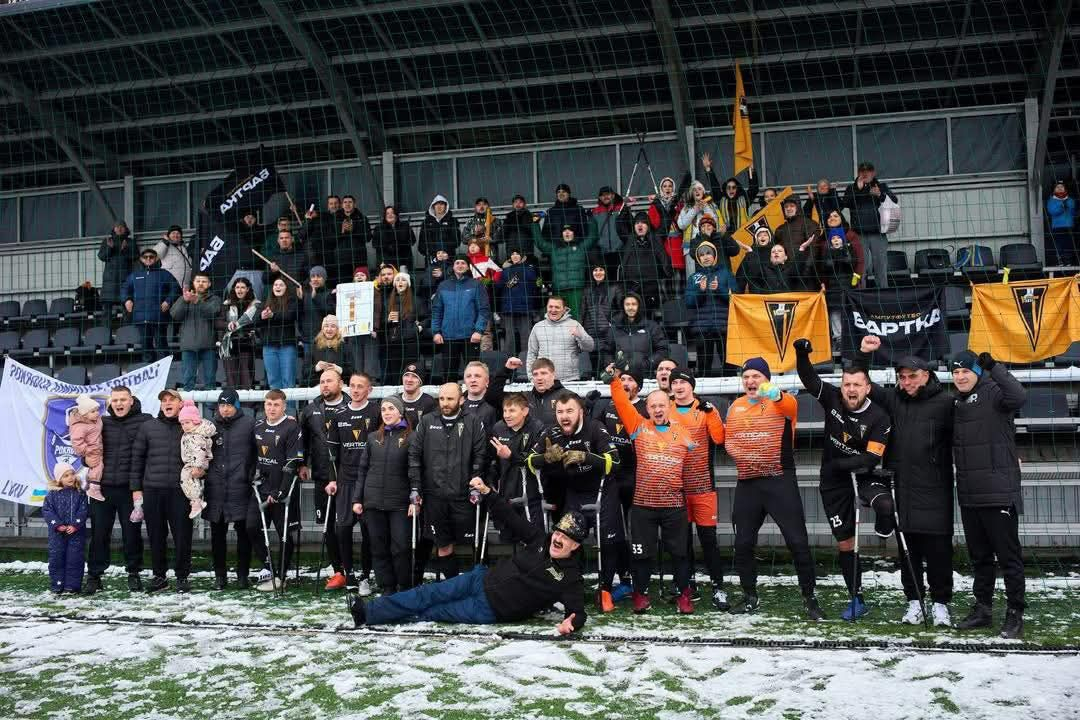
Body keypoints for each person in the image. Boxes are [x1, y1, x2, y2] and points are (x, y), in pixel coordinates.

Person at [350, 477, 588, 635]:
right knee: (427, 593)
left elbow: (578, 612)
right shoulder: (540, 539)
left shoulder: (570, 577)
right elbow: (510, 517)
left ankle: (386, 617)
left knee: (434, 612)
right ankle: (368, 612)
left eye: (565, 537)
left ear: (575, 545)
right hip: (480, 579)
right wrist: (488, 492)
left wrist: (572, 623)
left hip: (490, 608)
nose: (557, 539)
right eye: (558, 532)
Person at [857, 336, 955, 626]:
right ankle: (914, 602)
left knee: (939, 552)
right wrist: (863, 355)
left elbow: (966, 438)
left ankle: (941, 605)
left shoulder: (946, 403)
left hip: (936, 490)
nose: (907, 382)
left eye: (912, 376)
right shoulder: (893, 400)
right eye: (902, 377)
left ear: (926, 375)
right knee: (907, 551)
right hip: (902, 488)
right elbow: (863, 383)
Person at [794, 339, 892, 621]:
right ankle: (856, 598)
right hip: (833, 482)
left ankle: (885, 525)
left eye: (857, 385)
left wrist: (840, 464)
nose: (851, 389)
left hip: (864, 475)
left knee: (885, 505)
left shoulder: (879, 417)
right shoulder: (833, 398)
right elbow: (809, 378)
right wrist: (802, 353)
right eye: (847, 384)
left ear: (867, 388)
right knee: (846, 543)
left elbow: (871, 458)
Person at [723, 358, 821, 618]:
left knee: (797, 541)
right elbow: (729, 441)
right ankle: (749, 596)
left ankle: (809, 597)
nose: (750, 381)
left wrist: (775, 394)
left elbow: (789, 405)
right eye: (746, 377)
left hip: (780, 480)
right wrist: (747, 457)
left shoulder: (783, 401)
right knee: (743, 543)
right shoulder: (735, 406)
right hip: (748, 483)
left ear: (767, 379)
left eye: (756, 376)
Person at [605, 356, 694, 614]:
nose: (657, 409)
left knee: (680, 553)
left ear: (669, 406)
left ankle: (684, 595)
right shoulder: (638, 426)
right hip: (643, 505)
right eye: (653, 406)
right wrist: (614, 380)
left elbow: (694, 465)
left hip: (674, 506)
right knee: (641, 553)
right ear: (647, 409)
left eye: (661, 405)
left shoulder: (683, 433)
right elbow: (622, 402)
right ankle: (641, 594)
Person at [949, 350, 1027, 639]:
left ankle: (1015, 613)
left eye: (965, 371)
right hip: (969, 495)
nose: (960, 377)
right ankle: (983, 610)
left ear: (978, 372)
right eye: (955, 372)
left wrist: (994, 367)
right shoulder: (956, 403)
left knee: (1009, 558)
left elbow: (1019, 397)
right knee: (980, 558)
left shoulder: (995, 392)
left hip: (998, 494)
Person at [526, 392, 622, 611]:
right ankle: (570, 585)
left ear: (580, 412)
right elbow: (529, 461)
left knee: (607, 542)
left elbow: (616, 463)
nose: (564, 416)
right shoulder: (551, 432)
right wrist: (545, 458)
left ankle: (605, 589)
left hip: (602, 492)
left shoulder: (595, 428)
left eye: (569, 411)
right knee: (567, 540)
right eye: (560, 412)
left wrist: (587, 457)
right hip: (574, 493)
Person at [408, 382, 488, 580]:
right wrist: (416, 487)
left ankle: (475, 585)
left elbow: (480, 456)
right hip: (435, 497)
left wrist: (475, 483)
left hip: (463, 496)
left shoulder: (473, 421)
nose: (445, 403)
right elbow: (414, 456)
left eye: (450, 399)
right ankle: (451, 586)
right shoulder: (427, 421)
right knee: (443, 545)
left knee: (471, 542)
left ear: (461, 400)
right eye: (442, 398)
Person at [667, 368, 729, 609]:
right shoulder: (666, 409)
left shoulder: (705, 409)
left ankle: (718, 587)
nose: (678, 386)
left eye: (683, 382)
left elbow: (719, 439)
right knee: (681, 541)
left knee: (708, 540)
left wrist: (712, 413)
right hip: (676, 488)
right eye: (674, 382)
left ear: (691, 385)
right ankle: (687, 584)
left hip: (703, 485)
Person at [587, 366, 646, 597]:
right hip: (611, 478)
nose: (625, 383)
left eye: (630, 379)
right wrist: (589, 409)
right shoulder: (608, 407)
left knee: (635, 531)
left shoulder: (644, 408)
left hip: (636, 477)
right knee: (613, 531)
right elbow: (594, 431)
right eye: (621, 380)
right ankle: (619, 578)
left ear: (638, 385)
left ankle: (636, 579)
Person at [84, 387, 149, 594]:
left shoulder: (145, 421)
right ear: (110, 403)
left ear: (131, 401)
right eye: (115, 400)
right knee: (99, 533)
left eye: (123, 399)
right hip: (102, 489)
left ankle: (134, 574)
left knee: (132, 534)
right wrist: (85, 459)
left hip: (130, 490)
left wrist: (140, 487)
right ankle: (94, 576)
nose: (119, 403)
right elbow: (88, 447)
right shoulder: (101, 422)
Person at [129, 389, 190, 594]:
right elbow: (137, 460)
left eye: (172, 399)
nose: (167, 403)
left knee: (182, 535)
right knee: (156, 536)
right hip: (153, 490)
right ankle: (159, 577)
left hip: (181, 491)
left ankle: (182, 577)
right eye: (164, 400)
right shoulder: (148, 427)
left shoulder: (190, 427)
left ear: (181, 404)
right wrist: (136, 489)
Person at [352, 396, 414, 595]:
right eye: (384, 409)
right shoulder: (373, 438)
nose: (386, 412)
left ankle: (404, 585)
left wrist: (415, 498)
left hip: (399, 503)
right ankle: (387, 586)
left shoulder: (412, 437)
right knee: (379, 547)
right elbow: (363, 470)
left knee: (401, 547)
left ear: (400, 412)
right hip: (373, 502)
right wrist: (357, 499)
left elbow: (415, 470)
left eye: (391, 408)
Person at [327, 372, 381, 592]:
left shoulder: (377, 412)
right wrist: (332, 479)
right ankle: (348, 574)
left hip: (369, 481)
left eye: (360, 386)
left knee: (369, 531)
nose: (356, 390)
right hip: (346, 481)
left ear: (369, 390)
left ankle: (366, 576)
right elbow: (332, 453)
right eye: (352, 386)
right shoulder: (339, 414)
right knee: (343, 529)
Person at [203, 388, 259, 590]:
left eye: (228, 405)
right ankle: (220, 576)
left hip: (241, 487)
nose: (225, 409)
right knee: (217, 536)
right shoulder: (209, 426)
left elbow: (258, 452)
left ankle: (242, 575)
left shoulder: (250, 424)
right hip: (216, 489)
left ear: (236, 405)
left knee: (244, 535)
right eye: (222, 405)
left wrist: (250, 474)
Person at [251, 389, 306, 591]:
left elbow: (292, 462)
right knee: (250, 526)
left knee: (284, 533)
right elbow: (252, 456)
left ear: (284, 406)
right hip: (261, 488)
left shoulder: (292, 427)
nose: (272, 408)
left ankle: (281, 577)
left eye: (276, 405)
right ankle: (269, 567)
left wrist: (281, 492)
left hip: (283, 488)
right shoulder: (257, 425)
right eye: (268, 404)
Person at [299, 369, 349, 588]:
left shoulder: (351, 406)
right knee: (327, 526)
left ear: (341, 383)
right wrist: (303, 463)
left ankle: (356, 570)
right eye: (322, 381)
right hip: (321, 475)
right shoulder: (310, 410)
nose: (325, 385)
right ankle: (338, 571)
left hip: (347, 476)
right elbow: (302, 440)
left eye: (329, 381)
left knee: (346, 525)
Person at [485, 393, 547, 536]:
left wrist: (511, 456)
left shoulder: (537, 428)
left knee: (532, 537)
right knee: (508, 538)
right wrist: (491, 482)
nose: (507, 415)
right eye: (505, 411)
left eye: (512, 410)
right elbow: (492, 461)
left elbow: (536, 460)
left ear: (525, 411)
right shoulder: (498, 428)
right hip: (506, 494)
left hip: (532, 495)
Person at [684, 241, 738, 376]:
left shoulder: (726, 274)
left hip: (724, 326)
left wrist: (720, 289)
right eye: (702, 255)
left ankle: (731, 388)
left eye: (708, 253)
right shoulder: (693, 278)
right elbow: (689, 303)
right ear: (698, 258)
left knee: (728, 365)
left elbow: (735, 299)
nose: (705, 257)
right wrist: (700, 291)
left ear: (715, 256)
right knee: (703, 367)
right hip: (702, 328)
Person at [431, 255, 489, 379]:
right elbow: (437, 311)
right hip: (448, 337)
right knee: (449, 375)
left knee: (473, 374)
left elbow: (484, 310)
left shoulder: (476, 285)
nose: (460, 265)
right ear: (453, 266)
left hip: (471, 336)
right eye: (457, 263)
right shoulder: (443, 286)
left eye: (463, 263)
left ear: (468, 267)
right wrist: (436, 332)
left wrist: (479, 331)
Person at [844, 161, 897, 288]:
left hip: (878, 233)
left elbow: (894, 201)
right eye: (862, 171)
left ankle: (883, 294)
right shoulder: (851, 188)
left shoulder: (881, 186)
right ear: (858, 173)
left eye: (868, 171)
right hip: (859, 234)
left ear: (873, 173)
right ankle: (860, 295)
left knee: (880, 266)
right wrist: (857, 190)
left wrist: (880, 195)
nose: (865, 173)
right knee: (860, 267)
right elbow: (845, 203)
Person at [122, 247, 180, 362]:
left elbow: (176, 288)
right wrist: (127, 300)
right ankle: (148, 369)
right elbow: (124, 288)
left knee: (161, 345)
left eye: (151, 257)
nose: (148, 259)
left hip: (159, 316)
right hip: (140, 317)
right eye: (145, 257)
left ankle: (165, 369)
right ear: (141, 259)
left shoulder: (165, 274)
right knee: (145, 347)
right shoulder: (134, 275)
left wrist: (168, 301)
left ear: (156, 258)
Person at [815, 210, 865, 341]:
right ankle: (838, 338)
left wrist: (857, 276)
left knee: (851, 309)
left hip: (850, 282)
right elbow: (819, 264)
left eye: (835, 216)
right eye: (829, 216)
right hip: (831, 285)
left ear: (842, 218)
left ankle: (854, 337)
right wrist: (822, 282)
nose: (832, 218)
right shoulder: (822, 238)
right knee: (834, 311)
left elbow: (859, 258)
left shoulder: (851, 235)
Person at [171, 271, 222, 391]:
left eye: (204, 281)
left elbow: (213, 312)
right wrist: (184, 301)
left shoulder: (214, 299)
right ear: (193, 283)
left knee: (210, 382)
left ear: (209, 284)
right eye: (198, 281)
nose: (200, 284)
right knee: (188, 383)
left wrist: (197, 301)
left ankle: (210, 403)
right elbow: (175, 315)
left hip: (208, 345)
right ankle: (189, 403)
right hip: (188, 346)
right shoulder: (184, 298)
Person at [43, 463, 89, 594]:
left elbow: (83, 511)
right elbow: (47, 511)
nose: (70, 477)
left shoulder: (80, 494)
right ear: (59, 479)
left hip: (76, 534)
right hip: (57, 535)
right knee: (56, 558)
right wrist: (57, 525)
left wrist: (75, 525)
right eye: (66, 475)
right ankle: (57, 584)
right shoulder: (52, 495)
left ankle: (72, 586)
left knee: (75, 559)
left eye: (72, 474)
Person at [534, 224, 596, 320]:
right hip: (559, 289)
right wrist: (535, 224)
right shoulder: (554, 249)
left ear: (574, 233)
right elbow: (540, 243)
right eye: (564, 230)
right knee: (558, 318)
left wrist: (591, 219)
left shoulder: (581, 247)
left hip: (576, 289)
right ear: (561, 234)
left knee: (576, 317)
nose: (567, 232)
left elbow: (593, 237)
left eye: (570, 230)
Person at [526, 296, 594, 382]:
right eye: (550, 307)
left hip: (570, 379)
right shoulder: (538, 327)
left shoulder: (574, 324)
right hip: (544, 381)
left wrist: (580, 336)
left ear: (564, 309)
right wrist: (531, 377)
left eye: (557, 307)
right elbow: (532, 354)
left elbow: (590, 347)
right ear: (547, 308)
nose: (553, 310)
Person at [374, 272, 427, 382]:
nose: (400, 282)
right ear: (394, 284)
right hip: (393, 342)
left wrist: (419, 328)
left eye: (403, 280)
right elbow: (381, 323)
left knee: (410, 373)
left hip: (411, 342)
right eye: (397, 280)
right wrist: (388, 320)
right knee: (395, 375)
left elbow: (426, 318)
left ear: (408, 283)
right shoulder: (388, 301)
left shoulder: (416, 300)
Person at [619, 210, 672, 308]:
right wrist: (625, 208)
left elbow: (666, 221)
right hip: (632, 285)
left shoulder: (656, 237)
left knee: (652, 312)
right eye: (637, 223)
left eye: (643, 222)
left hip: (651, 286)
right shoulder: (629, 239)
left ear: (648, 226)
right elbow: (619, 225)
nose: (640, 225)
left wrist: (657, 203)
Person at [604, 292, 668, 372]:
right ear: (623, 306)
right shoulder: (614, 328)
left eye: (634, 304)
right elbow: (607, 352)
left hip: (645, 374)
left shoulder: (651, 326)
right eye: (627, 304)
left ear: (639, 306)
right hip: (621, 375)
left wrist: (647, 364)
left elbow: (662, 350)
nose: (630, 307)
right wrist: (614, 365)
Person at [495, 247, 540, 357]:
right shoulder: (507, 271)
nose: (514, 256)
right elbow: (498, 288)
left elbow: (534, 288)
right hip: (512, 307)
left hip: (520, 307)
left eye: (517, 254)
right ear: (510, 257)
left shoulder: (528, 270)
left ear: (522, 256)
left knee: (524, 335)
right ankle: (511, 361)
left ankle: (525, 360)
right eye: (512, 254)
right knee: (512, 336)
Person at [580, 259, 623, 374]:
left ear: (606, 271)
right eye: (595, 270)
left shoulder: (614, 288)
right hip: (591, 334)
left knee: (607, 366)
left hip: (608, 333)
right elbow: (583, 312)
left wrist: (612, 323)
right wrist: (581, 330)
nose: (598, 272)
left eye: (601, 270)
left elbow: (622, 310)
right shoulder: (587, 290)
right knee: (594, 366)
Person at [258, 277, 299, 392]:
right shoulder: (265, 302)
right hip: (269, 347)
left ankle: (290, 405)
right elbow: (255, 320)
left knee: (288, 381)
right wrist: (261, 316)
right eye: (275, 285)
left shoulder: (292, 301)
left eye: (281, 285)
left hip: (287, 346)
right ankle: (276, 404)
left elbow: (290, 316)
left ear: (286, 288)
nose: (278, 287)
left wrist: (273, 316)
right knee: (273, 381)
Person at [218, 277, 260, 389]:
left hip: (247, 344)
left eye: (242, 287)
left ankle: (247, 400)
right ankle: (233, 400)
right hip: (230, 345)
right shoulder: (226, 304)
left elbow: (258, 322)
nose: (239, 290)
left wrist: (251, 330)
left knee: (246, 379)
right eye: (237, 287)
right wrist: (228, 324)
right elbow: (218, 323)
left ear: (248, 289)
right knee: (231, 379)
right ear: (234, 289)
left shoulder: (255, 305)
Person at [461, 357, 523, 432]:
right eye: (468, 376)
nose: (472, 380)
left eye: (477, 376)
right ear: (464, 381)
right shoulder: (457, 402)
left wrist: (506, 369)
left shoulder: (496, 400)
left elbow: (495, 389)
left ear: (487, 381)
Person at [178, 399, 215, 520]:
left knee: (186, 478)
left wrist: (196, 466)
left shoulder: (196, 436)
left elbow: (199, 451)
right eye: (182, 423)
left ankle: (196, 501)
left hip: (196, 463)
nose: (185, 426)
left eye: (187, 422)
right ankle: (197, 500)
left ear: (195, 421)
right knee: (190, 480)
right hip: (193, 462)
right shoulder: (191, 433)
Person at [67, 394, 105, 503]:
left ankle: (90, 483)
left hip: (98, 447)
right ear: (84, 414)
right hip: (92, 450)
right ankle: (94, 488)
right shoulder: (79, 426)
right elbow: (76, 442)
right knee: (98, 466)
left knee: (97, 467)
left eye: (97, 410)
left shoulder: (97, 420)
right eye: (93, 411)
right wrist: (87, 451)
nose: (97, 413)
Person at [98, 221, 138, 317]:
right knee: (107, 310)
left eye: (122, 227)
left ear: (125, 229)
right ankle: (106, 327)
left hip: (125, 278)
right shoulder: (107, 241)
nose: (119, 229)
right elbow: (101, 256)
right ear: (114, 229)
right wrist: (109, 248)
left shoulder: (130, 241)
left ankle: (127, 326)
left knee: (127, 308)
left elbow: (136, 256)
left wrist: (125, 250)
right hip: (110, 280)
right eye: (117, 227)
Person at [592, 185, 627, 273]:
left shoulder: (621, 209)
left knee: (620, 277)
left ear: (613, 195)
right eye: (602, 195)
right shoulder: (595, 212)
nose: (605, 197)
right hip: (602, 253)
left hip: (620, 251)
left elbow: (628, 228)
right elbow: (592, 233)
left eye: (607, 194)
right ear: (600, 198)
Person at [525, 357, 566, 429]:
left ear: (553, 375)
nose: (539, 378)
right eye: (535, 374)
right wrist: (506, 370)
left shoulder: (568, 397)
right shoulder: (525, 398)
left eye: (543, 373)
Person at [299, 266, 334, 350]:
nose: (315, 279)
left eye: (318, 276)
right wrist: (299, 300)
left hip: (326, 339)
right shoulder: (304, 295)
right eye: (313, 276)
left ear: (324, 279)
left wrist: (315, 298)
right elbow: (299, 317)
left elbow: (330, 313)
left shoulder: (330, 294)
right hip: (307, 340)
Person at [496, 194, 541, 259]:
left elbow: (535, 234)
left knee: (526, 264)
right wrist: (494, 238)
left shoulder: (530, 216)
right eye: (516, 202)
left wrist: (536, 220)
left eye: (520, 202)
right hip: (511, 252)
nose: (518, 204)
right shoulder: (509, 218)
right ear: (513, 205)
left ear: (524, 204)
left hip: (526, 251)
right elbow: (502, 234)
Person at [418, 194, 460, 262]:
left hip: (448, 256)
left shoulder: (452, 221)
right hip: (431, 258)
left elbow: (456, 240)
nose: (439, 206)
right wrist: (430, 254)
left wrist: (445, 252)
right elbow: (421, 243)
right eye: (436, 204)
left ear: (446, 206)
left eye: (441, 204)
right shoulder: (426, 222)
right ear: (433, 206)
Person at [307, 315, 348, 385]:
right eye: (326, 326)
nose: (329, 329)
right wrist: (316, 367)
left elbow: (352, 372)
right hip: (317, 385)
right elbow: (305, 371)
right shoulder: (314, 346)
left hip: (338, 385)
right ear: (322, 329)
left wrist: (339, 369)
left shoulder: (344, 346)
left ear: (337, 329)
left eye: (333, 326)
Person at [371, 205, 414, 270]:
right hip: (386, 261)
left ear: (396, 215)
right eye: (387, 213)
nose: (390, 215)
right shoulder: (379, 228)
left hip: (403, 260)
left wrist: (401, 245)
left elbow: (412, 241)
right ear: (384, 216)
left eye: (392, 213)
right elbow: (375, 244)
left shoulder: (405, 226)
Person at [152, 224, 193, 291]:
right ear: (168, 235)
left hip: (185, 287)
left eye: (178, 233)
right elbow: (155, 255)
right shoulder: (164, 245)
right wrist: (165, 242)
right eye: (173, 233)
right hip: (170, 286)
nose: (176, 235)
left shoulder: (184, 247)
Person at [1046, 180, 1076, 266]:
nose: (1059, 189)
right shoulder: (1051, 200)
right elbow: (1052, 211)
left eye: (1062, 187)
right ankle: (1060, 261)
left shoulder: (1070, 200)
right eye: (1057, 187)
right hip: (1057, 227)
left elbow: (1073, 210)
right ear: (1054, 189)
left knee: (1069, 244)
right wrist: (1062, 207)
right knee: (1059, 245)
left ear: (1065, 188)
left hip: (1069, 226)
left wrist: (1065, 205)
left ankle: (1069, 261)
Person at [338, 195, 371, 271]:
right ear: (342, 205)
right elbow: (331, 238)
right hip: (341, 259)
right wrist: (342, 231)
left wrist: (354, 230)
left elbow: (368, 237)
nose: (347, 204)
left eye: (350, 202)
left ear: (355, 204)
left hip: (359, 258)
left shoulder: (362, 218)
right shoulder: (336, 218)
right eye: (345, 202)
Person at [399, 363, 437, 428]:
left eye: (414, 376)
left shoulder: (429, 402)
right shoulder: (395, 400)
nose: (409, 380)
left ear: (420, 382)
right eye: (407, 375)